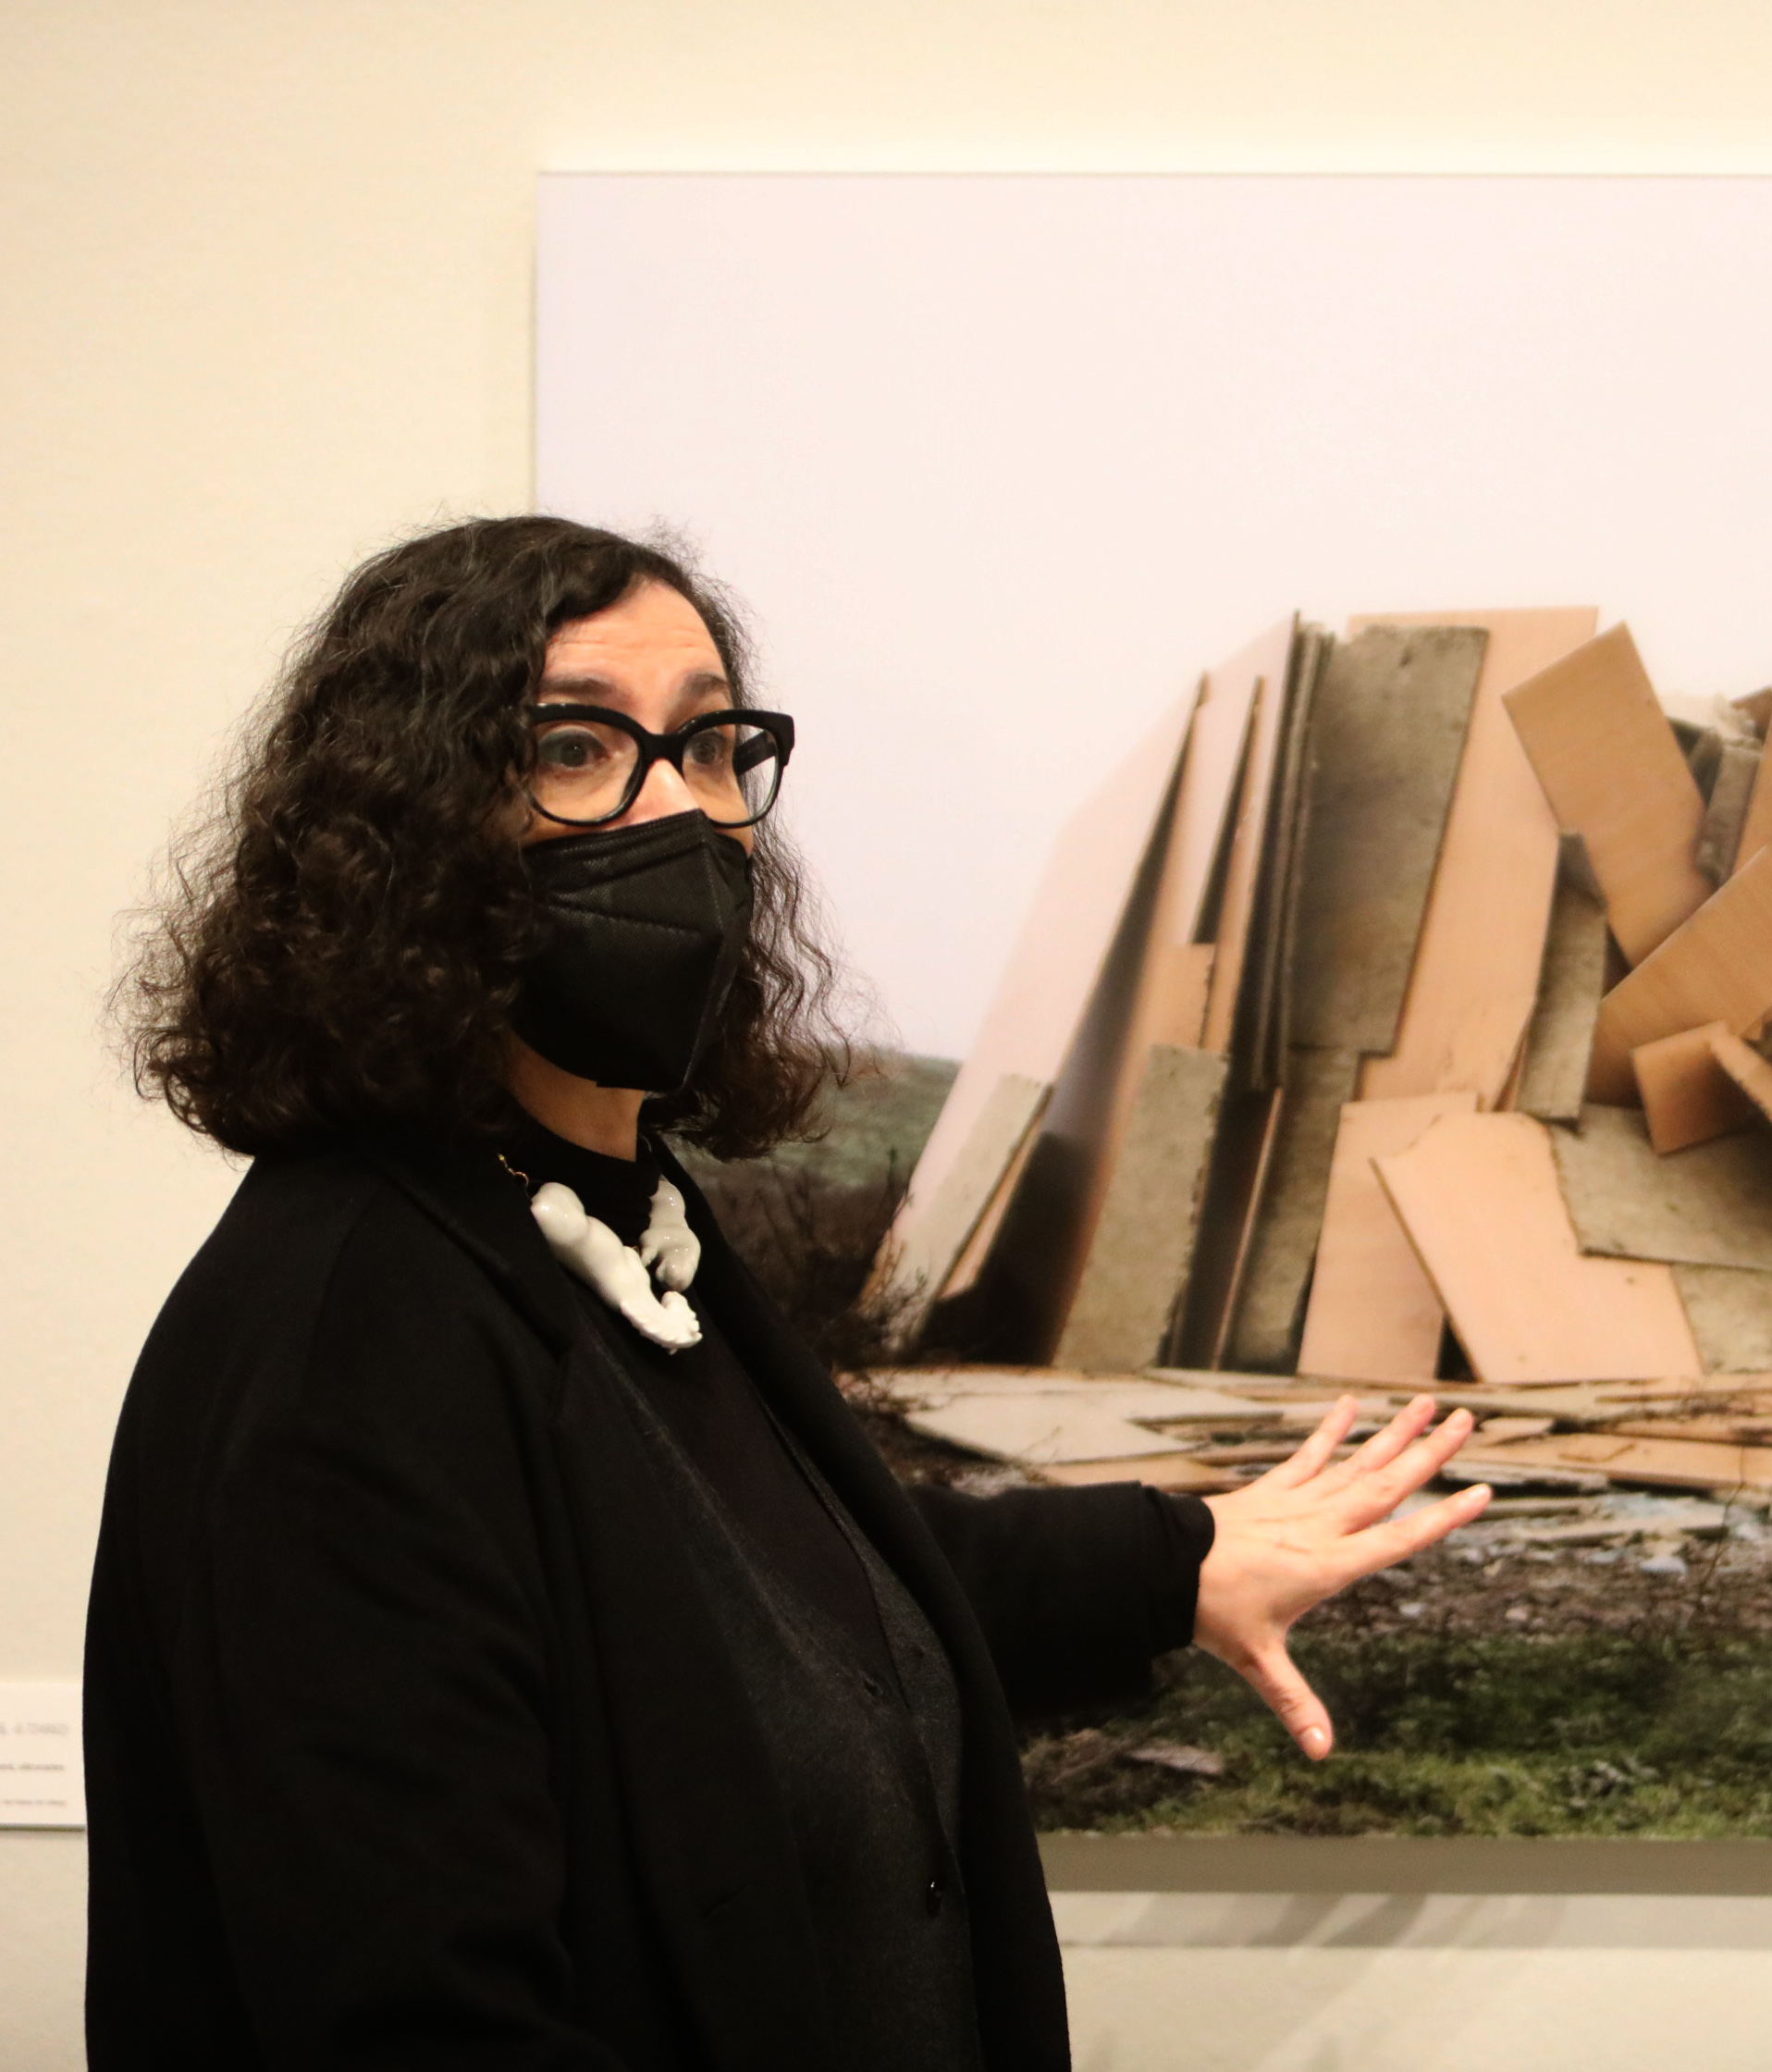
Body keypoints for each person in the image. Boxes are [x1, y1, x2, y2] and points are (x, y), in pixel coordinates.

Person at [88, 515, 1489, 2069]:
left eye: (709, 745)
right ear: (402, 830)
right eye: (574, 748)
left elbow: (784, 1605)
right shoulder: (349, 1340)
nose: (679, 809)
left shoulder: (621, 1223)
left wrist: (1184, 1562)